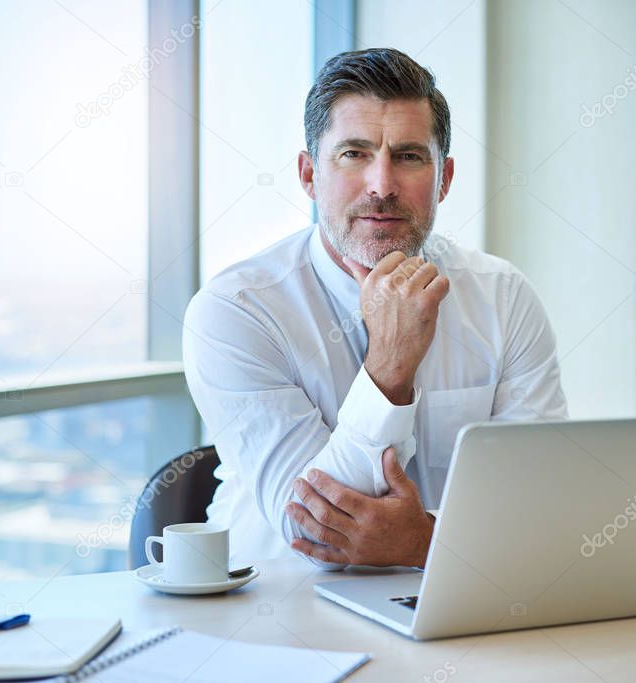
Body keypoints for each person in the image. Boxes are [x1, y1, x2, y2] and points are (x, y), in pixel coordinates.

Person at [183, 47, 568, 570]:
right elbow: (309, 526)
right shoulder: (237, 311)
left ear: (445, 179)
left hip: (457, 607)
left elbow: (542, 507)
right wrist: (391, 362)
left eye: (409, 156)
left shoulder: (503, 296)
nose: (382, 185)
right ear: (308, 175)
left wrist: (425, 542)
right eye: (353, 154)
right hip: (278, 614)